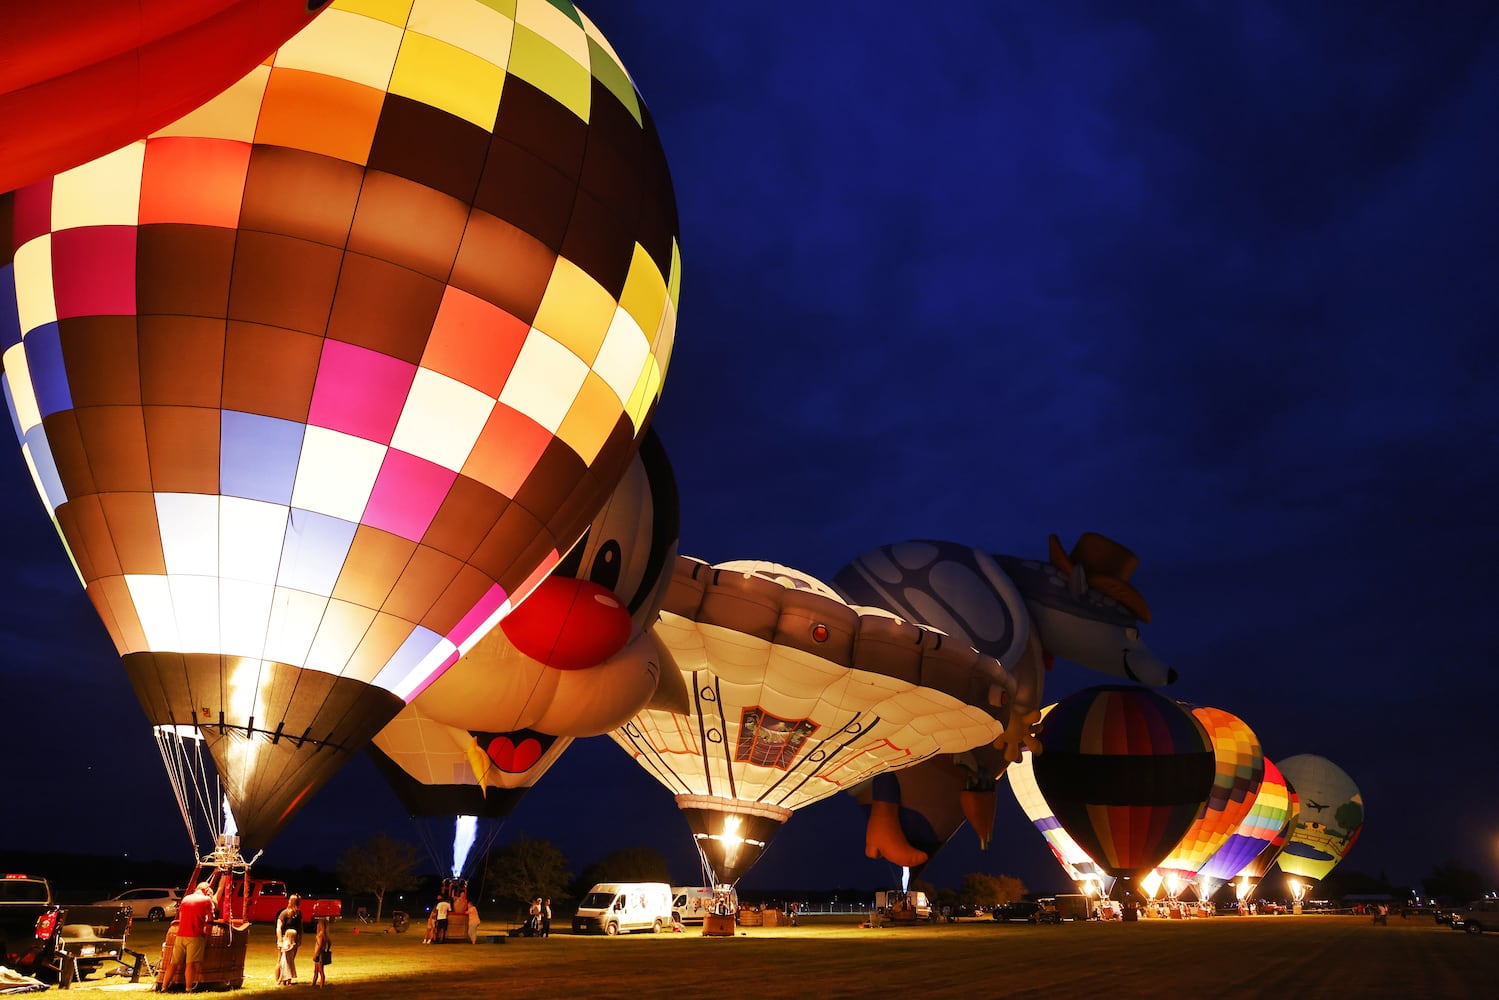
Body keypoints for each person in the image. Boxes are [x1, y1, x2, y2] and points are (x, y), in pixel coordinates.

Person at [158, 881, 215, 993]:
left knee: (173, 963)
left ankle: (164, 987)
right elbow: (211, 917)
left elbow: (181, 916)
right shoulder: (206, 900)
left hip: (181, 935)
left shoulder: (186, 899)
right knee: (190, 964)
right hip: (195, 935)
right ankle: (188, 988)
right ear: (207, 890)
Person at [273, 895, 302, 983]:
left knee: (290, 959)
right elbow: (278, 927)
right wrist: (280, 940)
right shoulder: (284, 913)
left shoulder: (298, 914)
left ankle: (287, 979)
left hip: (294, 939)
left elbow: (300, 927)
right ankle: (278, 979)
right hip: (285, 939)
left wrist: (300, 938)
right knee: (280, 960)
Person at [311, 917, 331, 987]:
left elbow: (319, 945)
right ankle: (313, 983)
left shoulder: (320, 935)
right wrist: (327, 950)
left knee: (320, 971)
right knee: (316, 970)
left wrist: (316, 954)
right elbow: (329, 943)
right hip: (321, 953)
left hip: (319, 954)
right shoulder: (325, 934)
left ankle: (321, 985)